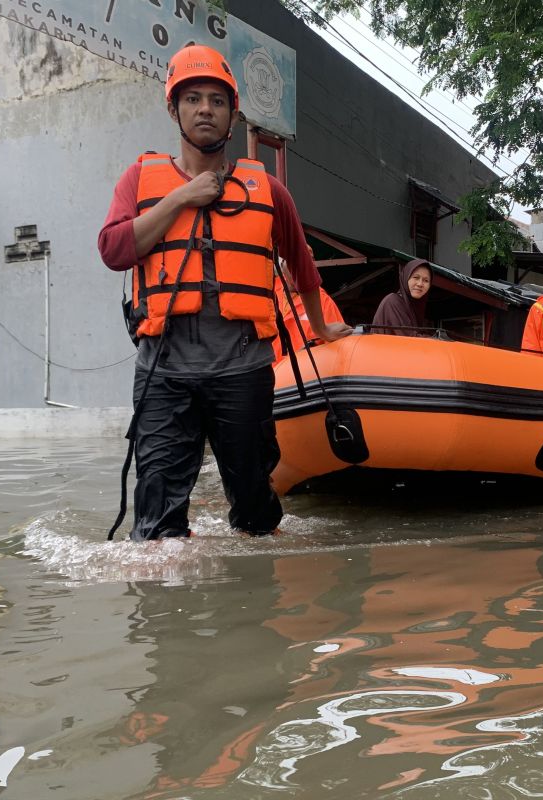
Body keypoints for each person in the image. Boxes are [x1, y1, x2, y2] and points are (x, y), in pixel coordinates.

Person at [97, 44, 351, 541]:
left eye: (216, 99)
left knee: (257, 518)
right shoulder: (140, 179)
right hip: (164, 374)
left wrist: (323, 329)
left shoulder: (270, 191)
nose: (205, 109)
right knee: (155, 530)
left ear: (233, 114)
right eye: (192, 99)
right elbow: (112, 249)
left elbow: (303, 270)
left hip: (242, 373)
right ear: (174, 110)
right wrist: (181, 198)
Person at [272, 245, 347, 365]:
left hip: (305, 379)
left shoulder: (323, 302)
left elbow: (339, 347)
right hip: (267, 377)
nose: (301, 268)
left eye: (309, 262)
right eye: (294, 261)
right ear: (282, 265)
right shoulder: (268, 291)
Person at [372, 258, 432, 336]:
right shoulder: (392, 301)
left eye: (426, 280)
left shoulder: (416, 305)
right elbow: (409, 337)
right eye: (416, 277)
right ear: (406, 278)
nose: (420, 284)